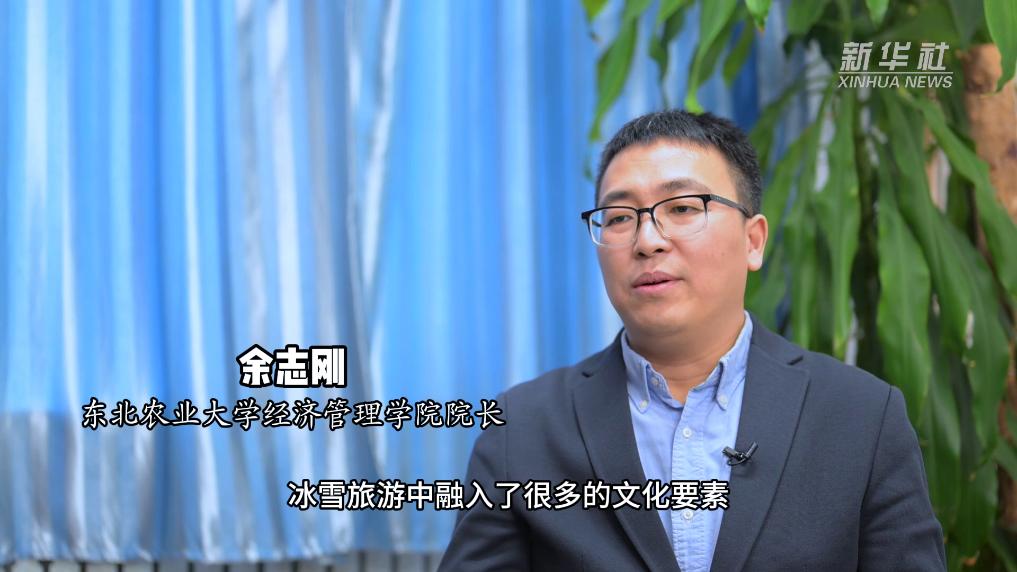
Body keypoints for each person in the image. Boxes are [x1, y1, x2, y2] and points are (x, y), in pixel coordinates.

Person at [438, 110, 946, 571]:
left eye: (682, 208)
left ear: (753, 241)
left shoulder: (862, 417)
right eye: (620, 217)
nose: (647, 240)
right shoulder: (522, 429)